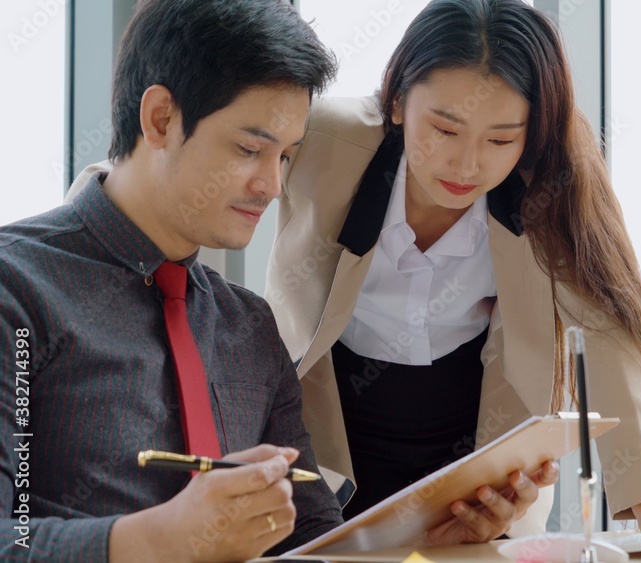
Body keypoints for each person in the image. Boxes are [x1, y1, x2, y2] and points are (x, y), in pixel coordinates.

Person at [3, 1, 551, 561]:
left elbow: (314, 543)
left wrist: (427, 540)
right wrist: (160, 540)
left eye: (287, 156)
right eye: (249, 149)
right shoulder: (17, 291)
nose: (271, 185)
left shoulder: (249, 328)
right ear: (161, 118)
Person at [265, 0, 641, 531]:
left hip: (473, 449)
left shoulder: (550, 182)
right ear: (399, 100)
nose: (467, 164)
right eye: (445, 129)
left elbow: (604, 326)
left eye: (501, 139)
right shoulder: (321, 138)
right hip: (331, 427)